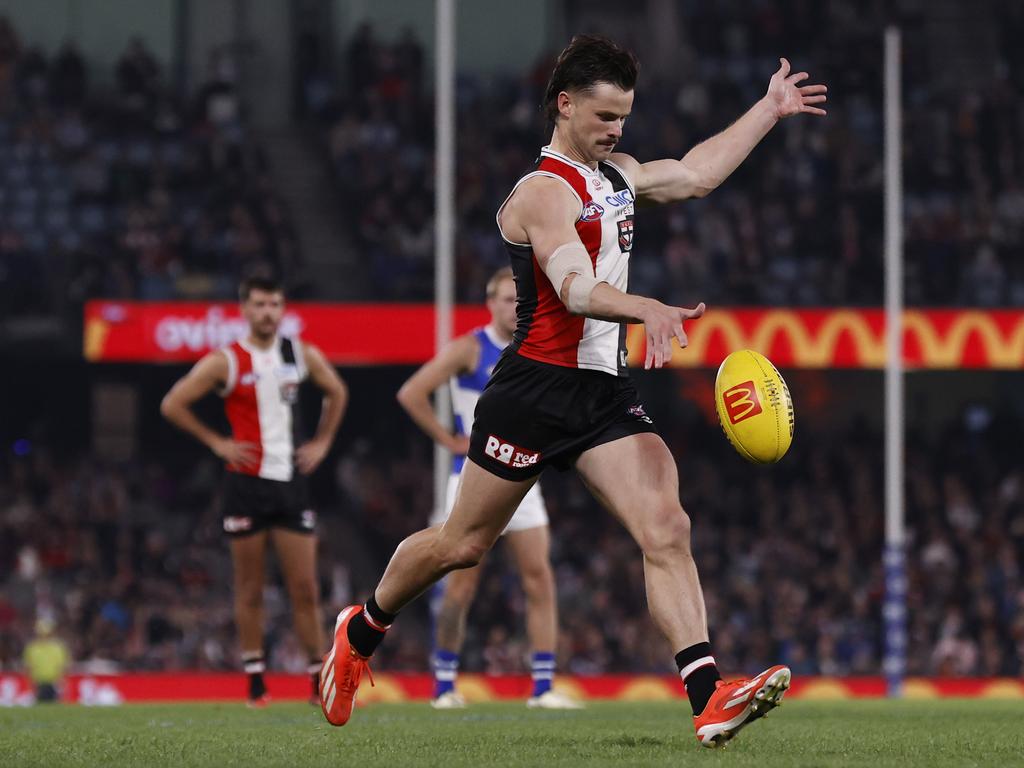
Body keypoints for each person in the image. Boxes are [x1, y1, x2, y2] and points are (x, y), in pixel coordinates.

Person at [319, 35, 826, 749]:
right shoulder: (540, 192)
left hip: (602, 395)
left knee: (667, 526)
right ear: (565, 105)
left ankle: (709, 696)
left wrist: (768, 110)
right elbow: (573, 286)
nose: (616, 130)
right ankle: (362, 627)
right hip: (532, 392)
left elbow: (691, 175)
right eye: (604, 115)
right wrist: (643, 306)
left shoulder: (615, 173)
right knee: (460, 545)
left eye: (623, 116)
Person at [396, 267, 580, 710]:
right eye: (502, 298)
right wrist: (449, 439)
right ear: (488, 302)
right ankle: (443, 684)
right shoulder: (469, 348)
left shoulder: (534, 347)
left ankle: (542, 687)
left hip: (522, 476)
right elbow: (412, 392)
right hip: (471, 478)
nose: (511, 306)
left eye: (517, 298)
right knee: (459, 584)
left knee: (540, 579)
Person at [161, 275, 348, 706]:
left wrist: (322, 442)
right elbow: (173, 403)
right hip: (245, 483)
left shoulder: (297, 354)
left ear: (283, 310)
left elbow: (337, 391)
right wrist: (216, 442)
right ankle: (255, 682)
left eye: (275, 305)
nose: (268, 312)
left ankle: (316, 681)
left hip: (291, 485)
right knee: (250, 588)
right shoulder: (227, 360)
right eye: (261, 304)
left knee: (305, 589)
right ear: (244, 309)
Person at [23, 618, 69, 703]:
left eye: (46, 634)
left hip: (53, 682)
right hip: (38, 682)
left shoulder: (57, 648)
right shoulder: (32, 648)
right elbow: (28, 667)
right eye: (41, 633)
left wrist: (61, 682)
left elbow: (62, 667)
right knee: (39, 706)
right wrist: (30, 684)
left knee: (53, 706)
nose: (44, 636)